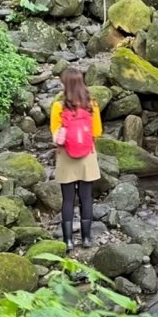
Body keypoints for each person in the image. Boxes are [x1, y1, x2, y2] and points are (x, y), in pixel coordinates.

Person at [49, 68, 102, 250]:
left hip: (65, 156)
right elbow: (97, 132)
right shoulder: (91, 105)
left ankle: (68, 241)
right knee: (86, 198)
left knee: (68, 199)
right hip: (88, 155)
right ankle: (86, 239)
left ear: (65, 84)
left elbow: (56, 136)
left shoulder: (58, 107)